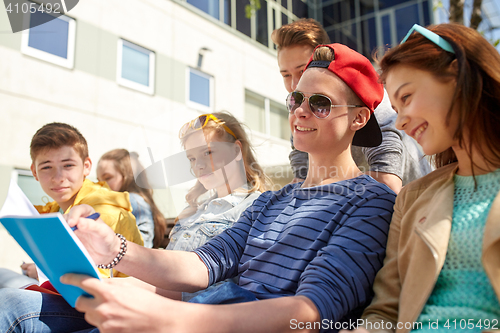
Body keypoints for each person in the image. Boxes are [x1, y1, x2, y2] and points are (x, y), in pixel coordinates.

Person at [0, 44, 397, 332]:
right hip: (202, 314)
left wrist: (174, 319)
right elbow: (202, 264)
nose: (300, 111)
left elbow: (312, 313)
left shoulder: (371, 201)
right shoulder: (273, 201)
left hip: (211, 321)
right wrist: (115, 249)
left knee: (13, 308)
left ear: (360, 118)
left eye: (320, 103)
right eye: (295, 98)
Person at [340, 24, 500, 333]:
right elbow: (385, 312)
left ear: (457, 76)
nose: (400, 122)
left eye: (407, 96)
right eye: (395, 108)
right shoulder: (411, 199)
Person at [272, 18, 432, 192]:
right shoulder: (301, 111)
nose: (294, 84)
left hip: (418, 199)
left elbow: (387, 180)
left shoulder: (370, 99)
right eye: (286, 75)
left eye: (302, 71)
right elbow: (301, 181)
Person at [0, 123, 144, 290]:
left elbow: (91, 287)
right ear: (34, 172)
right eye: (47, 167)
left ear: (86, 166)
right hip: (68, 292)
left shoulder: (102, 214)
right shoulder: (55, 209)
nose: (58, 177)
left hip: (106, 302)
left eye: (68, 165)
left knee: (10, 296)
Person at [97, 149, 167, 249]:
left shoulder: (132, 201)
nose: (101, 184)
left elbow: (139, 248)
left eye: (107, 178)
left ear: (127, 176)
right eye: (98, 180)